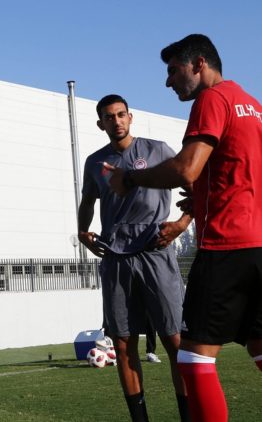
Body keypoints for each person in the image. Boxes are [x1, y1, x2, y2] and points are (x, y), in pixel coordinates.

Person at [108, 34, 262, 422]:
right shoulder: (253, 106)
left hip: (227, 247)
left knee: (193, 358)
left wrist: (129, 178)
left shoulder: (212, 99)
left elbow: (185, 168)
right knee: (259, 347)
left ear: (199, 64)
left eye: (174, 71)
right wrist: (206, 199)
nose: (168, 81)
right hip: (258, 245)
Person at [78, 94, 192, 422]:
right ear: (100, 124)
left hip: (156, 252)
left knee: (175, 340)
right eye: (109, 117)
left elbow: (193, 186)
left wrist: (181, 224)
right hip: (116, 258)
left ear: (130, 117)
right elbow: (87, 202)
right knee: (123, 343)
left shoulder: (158, 150)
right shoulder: (95, 162)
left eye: (120, 114)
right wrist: (83, 232)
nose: (116, 121)